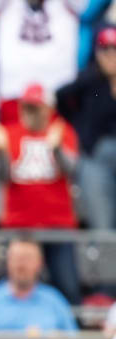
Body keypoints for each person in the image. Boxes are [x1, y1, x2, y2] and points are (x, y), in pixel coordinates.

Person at [0, 83, 81, 304]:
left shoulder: (61, 131)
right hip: (19, 225)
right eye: (25, 107)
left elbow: (72, 170)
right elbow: (1, 176)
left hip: (57, 224)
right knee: (13, 286)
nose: (29, 113)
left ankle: (70, 334)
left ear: (48, 109)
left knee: (67, 285)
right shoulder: (9, 133)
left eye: (35, 108)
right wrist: (2, 150)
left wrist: (55, 148)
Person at [0, 0, 86, 124]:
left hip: (59, 87)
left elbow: (80, 5)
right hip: (14, 88)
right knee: (15, 140)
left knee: (60, 141)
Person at [57, 25, 116, 229]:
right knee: (102, 226)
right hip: (96, 158)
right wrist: (78, 127)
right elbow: (60, 97)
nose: (110, 54)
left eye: (114, 48)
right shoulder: (90, 79)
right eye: (105, 48)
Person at [0, 237, 78, 334]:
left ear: (40, 263)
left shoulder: (54, 301)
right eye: (17, 259)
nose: (22, 265)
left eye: (28, 259)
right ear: (8, 262)